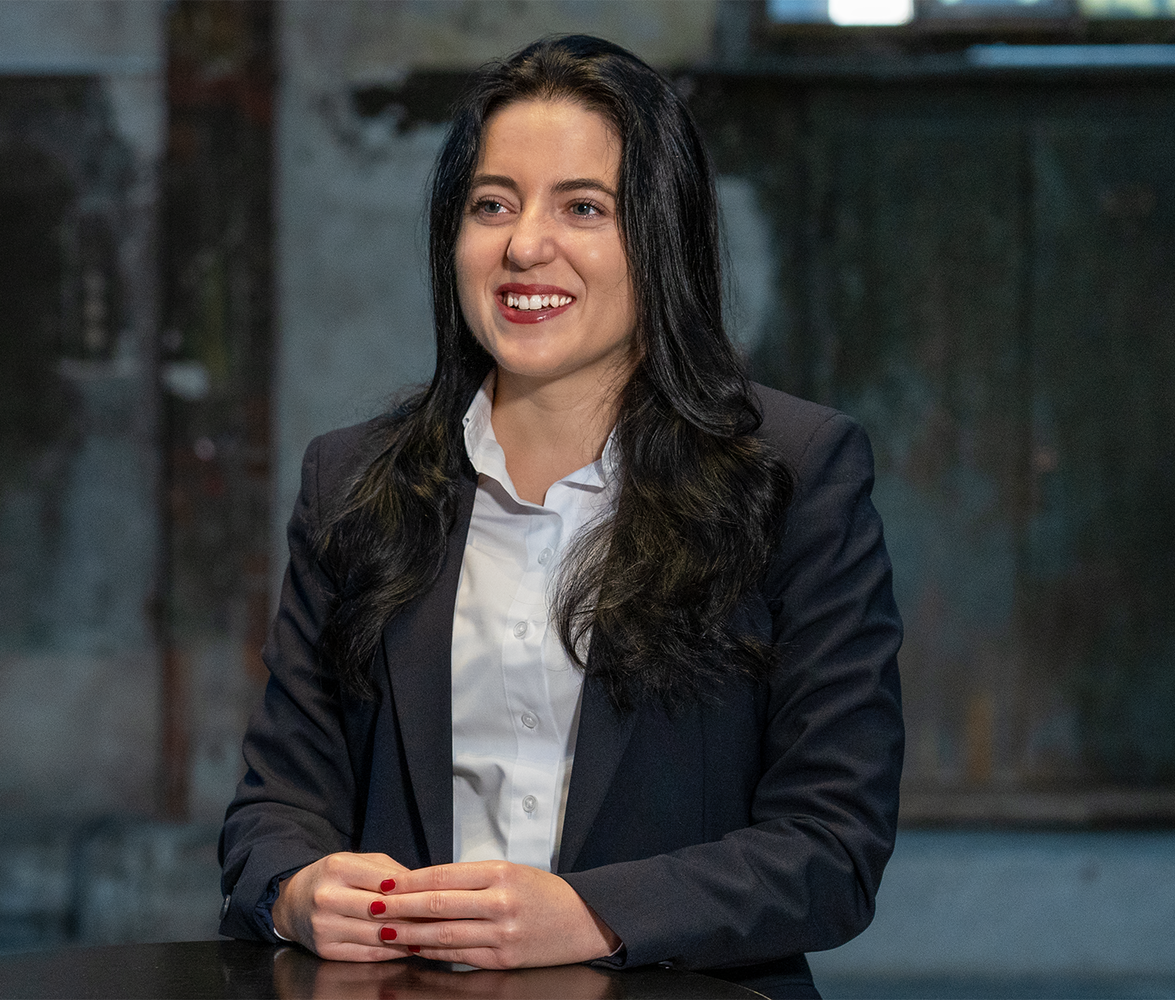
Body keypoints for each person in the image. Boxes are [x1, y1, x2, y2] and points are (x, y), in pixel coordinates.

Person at [217, 34, 902, 1000]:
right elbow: (273, 809)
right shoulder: (354, 482)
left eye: (583, 207)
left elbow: (832, 847)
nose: (524, 245)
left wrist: (589, 917)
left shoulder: (796, 474)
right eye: (492, 204)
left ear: (661, 236)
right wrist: (297, 891)